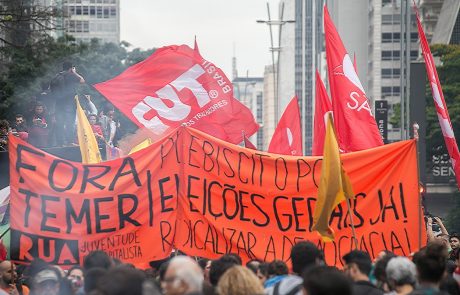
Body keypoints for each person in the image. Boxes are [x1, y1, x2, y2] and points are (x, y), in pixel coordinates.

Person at [51, 61, 85, 146]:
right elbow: (82, 81)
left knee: (60, 123)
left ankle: (60, 143)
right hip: (69, 104)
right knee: (70, 122)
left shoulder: (56, 77)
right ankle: (70, 142)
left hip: (58, 104)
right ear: (70, 68)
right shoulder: (71, 75)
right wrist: (75, 72)